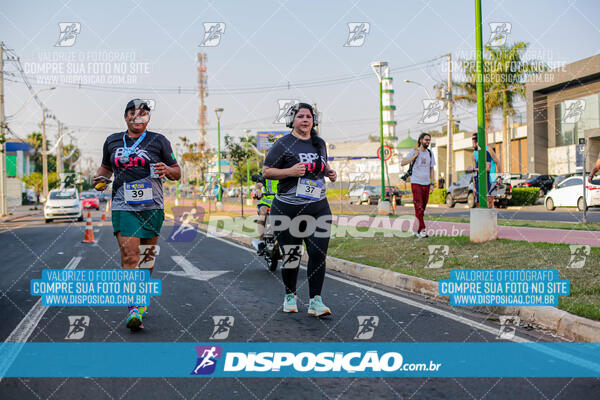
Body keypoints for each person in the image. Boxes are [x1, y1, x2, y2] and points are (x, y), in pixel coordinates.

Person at [93, 99, 181, 331]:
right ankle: (135, 306)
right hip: (123, 204)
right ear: (126, 117)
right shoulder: (112, 141)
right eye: (132, 113)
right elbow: (105, 167)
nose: (137, 117)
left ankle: (141, 298)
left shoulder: (159, 140)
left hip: (152, 205)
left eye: (142, 113)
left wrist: (167, 170)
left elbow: (177, 172)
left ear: (148, 119)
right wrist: (98, 178)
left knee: (147, 256)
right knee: (130, 255)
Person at [262, 103, 337, 317]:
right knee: (292, 254)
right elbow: (267, 172)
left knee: (317, 252)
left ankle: (316, 301)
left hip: (318, 207)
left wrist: (330, 173)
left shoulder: (319, 143)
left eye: (309, 116)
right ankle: (290, 295)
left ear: (314, 121)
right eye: (300, 116)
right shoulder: (282, 144)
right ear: (292, 121)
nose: (305, 119)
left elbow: (323, 166)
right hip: (287, 209)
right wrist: (290, 171)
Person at [401, 132, 435, 238]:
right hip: (416, 183)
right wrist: (414, 156)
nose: (428, 142)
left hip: (426, 183)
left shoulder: (430, 153)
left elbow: (432, 169)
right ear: (420, 140)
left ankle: (415, 229)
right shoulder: (414, 151)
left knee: (422, 208)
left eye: (429, 140)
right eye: (426, 140)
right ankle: (422, 230)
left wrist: (432, 183)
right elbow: (402, 162)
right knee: (418, 207)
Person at [468, 133, 502, 208]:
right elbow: (475, 172)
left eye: (474, 141)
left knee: (490, 201)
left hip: (491, 178)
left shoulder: (488, 149)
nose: (472, 144)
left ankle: (491, 219)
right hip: (480, 180)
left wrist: (499, 177)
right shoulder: (473, 154)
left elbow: (497, 162)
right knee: (478, 203)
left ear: (478, 142)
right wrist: (474, 186)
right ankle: (482, 219)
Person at [255, 175, 278, 255]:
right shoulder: (267, 170)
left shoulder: (288, 169)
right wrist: (258, 190)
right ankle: (261, 242)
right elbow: (259, 183)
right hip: (267, 201)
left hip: (282, 202)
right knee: (262, 213)